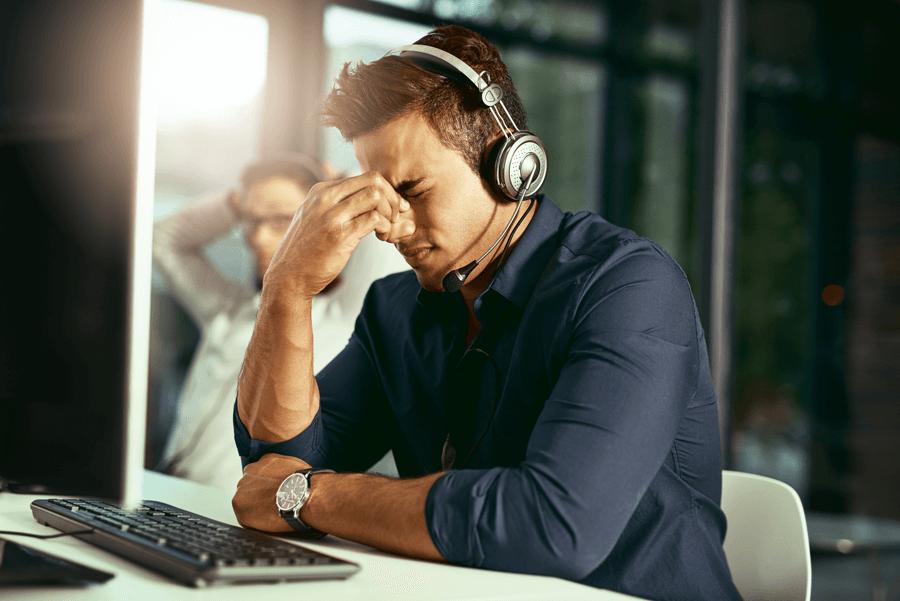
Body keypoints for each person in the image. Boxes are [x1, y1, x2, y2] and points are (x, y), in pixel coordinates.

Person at [230, 26, 742, 601]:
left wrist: (312, 497)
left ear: (509, 165)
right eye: (382, 199)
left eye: (414, 190)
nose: (392, 227)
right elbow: (270, 471)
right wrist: (287, 286)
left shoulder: (628, 286)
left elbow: (553, 525)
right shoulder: (394, 311)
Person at [152, 154, 407, 491]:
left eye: (280, 220)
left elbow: (383, 220)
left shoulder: (351, 314)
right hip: (169, 493)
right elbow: (162, 240)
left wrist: (341, 185)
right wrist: (235, 202)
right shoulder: (228, 310)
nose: (256, 239)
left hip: (241, 511)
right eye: (251, 221)